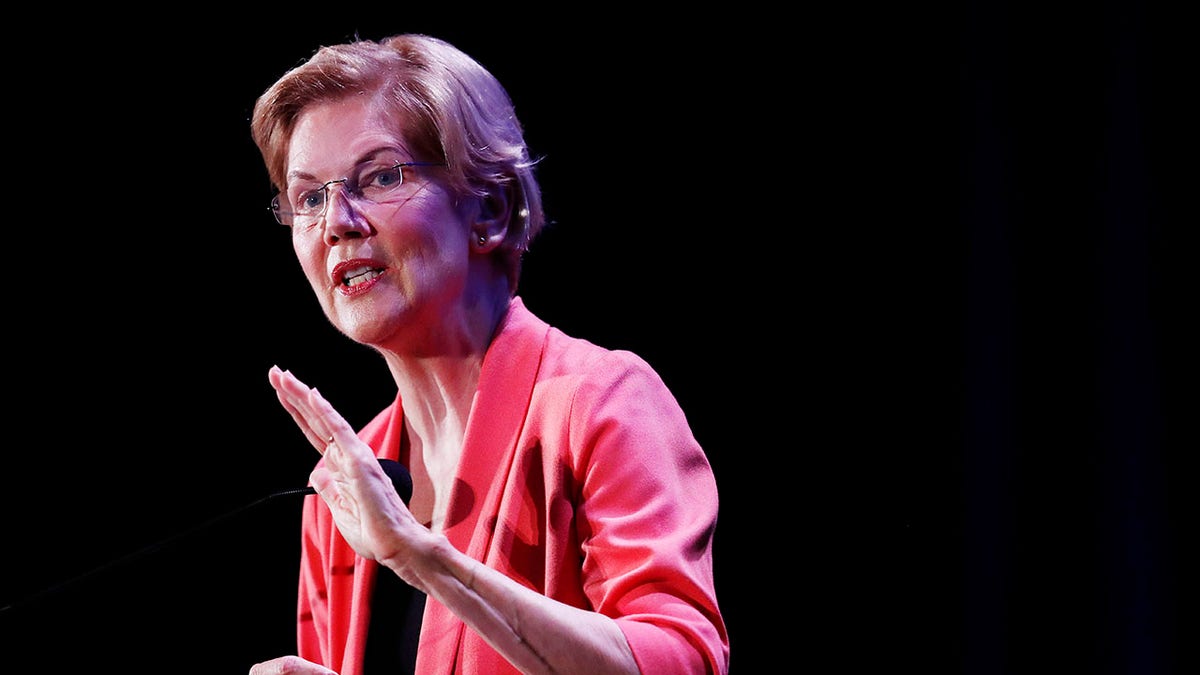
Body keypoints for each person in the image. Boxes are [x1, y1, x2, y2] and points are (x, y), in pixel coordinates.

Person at [246, 33, 728, 675]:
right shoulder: (341, 483)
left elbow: (683, 663)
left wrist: (425, 559)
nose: (338, 222)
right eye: (309, 197)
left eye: (382, 176)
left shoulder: (600, 403)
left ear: (492, 209)